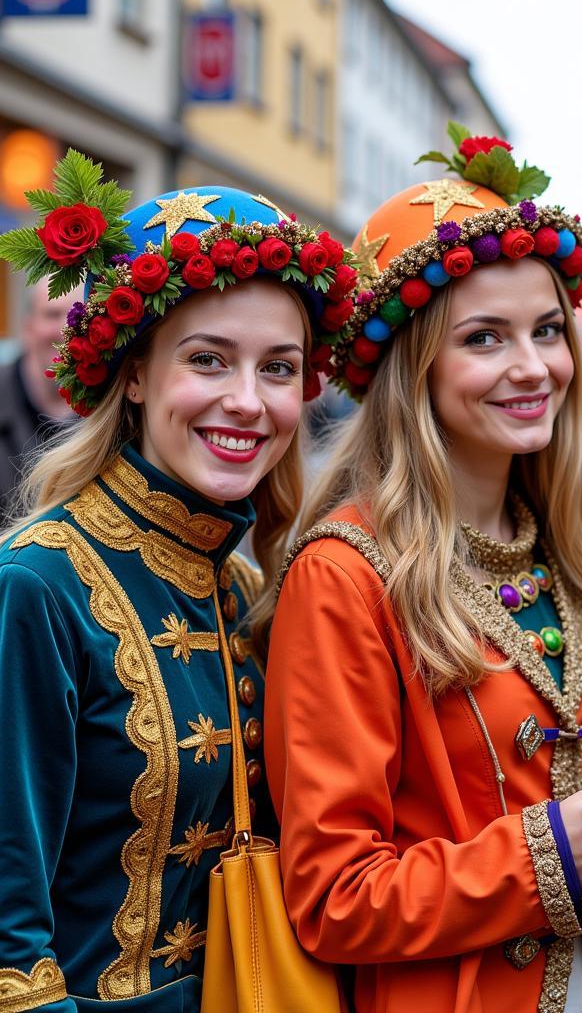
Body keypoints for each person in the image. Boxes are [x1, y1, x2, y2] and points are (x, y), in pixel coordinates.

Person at [264, 127, 582, 1013]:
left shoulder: (570, 545)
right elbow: (333, 898)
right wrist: (554, 854)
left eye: (546, 332)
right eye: (486, 338)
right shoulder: (344, 573)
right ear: (418, 370)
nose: (534, 368)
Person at [0, 152, 353, 1011]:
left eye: (277, 368)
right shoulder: (36, 585)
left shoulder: (242, 585)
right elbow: (9, 938)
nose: (247, 400)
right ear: (132, 372)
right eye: (207, 359)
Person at [0, 277, 83, 512]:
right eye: (53, 314)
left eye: (77, 315)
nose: (67, 328)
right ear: (28, 328)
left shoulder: (110, 410)